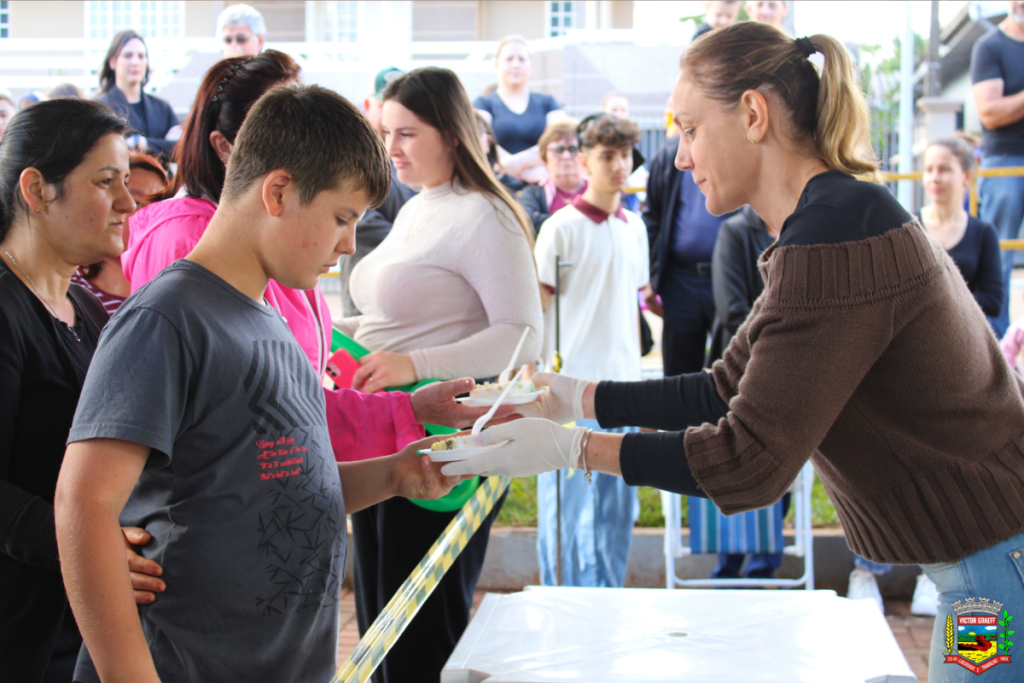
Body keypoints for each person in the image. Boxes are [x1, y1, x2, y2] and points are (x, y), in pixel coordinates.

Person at [448, 24, 1024, 683]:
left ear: (753, 114)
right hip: (987, 558)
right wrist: (574, 395)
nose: (680, 158)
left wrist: (573, 449)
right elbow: (725, 386)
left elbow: (749, 463)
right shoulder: (830, 222)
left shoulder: (834, 238)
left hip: (994, 571)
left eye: (690, 129)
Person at [55, 83, 463, 683]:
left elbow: (281, 488)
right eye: (342, 217)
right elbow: (83, 504)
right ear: (277, 192)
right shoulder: (167, 319)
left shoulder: (270, 315)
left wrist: (395, 473)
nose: (348, 243)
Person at [125, 53, 486, 467]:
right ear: (231, 149)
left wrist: (400, 438)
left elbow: (284, 417)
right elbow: (124, 474)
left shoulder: (277, 252)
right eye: (341, 220)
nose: (348, 245)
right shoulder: (188, 263)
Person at [338, 66, 542, 683]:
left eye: (406, 133)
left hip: (442, 444)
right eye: (386, 133)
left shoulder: (486, 215)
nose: (392, 148)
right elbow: (398, 317)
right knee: (381, 627)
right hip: (383, 429)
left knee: (419, 639)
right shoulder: (417, 207)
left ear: (452, 134)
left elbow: (523, 334)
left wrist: (413, 365)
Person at [0, 99, 164, 683]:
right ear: (37, 189)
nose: (128, 202)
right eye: (105, 182)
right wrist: (87, 548)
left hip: (84, 624)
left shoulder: (84, 305)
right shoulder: (7, 310)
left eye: (125, 182)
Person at [534, 114, 648, 588]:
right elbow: (538, 311)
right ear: (584, 161)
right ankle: (559, 602)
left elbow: (633, 309)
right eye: (607, 156)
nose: (619, 165)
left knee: (616, 512)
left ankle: (609, 600)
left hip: (625, 391)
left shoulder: (635, 227)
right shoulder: (559, 228)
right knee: (565, 511)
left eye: (625, 155)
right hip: (570, 394)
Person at [338, 67, 415, 317]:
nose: (394, 113)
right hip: (365, 296)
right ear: (368, 104)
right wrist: (418, 242)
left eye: (402, 105)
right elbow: (358, 220)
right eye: (384, 105)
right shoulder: (350, 150)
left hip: (408, 296)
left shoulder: (415, 155)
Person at [971, 0, 1024, 336]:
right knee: (998, 260)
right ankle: (995, 346)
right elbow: (989, 112)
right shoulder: (990, 46)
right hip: (1006, 162)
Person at [70, 153, 168, 315]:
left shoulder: (169, 286)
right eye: (137, 202)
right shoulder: (66, 282)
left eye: (158, 206)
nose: (148, 214)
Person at [920, 136, 1003, 318]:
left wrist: (938, 300)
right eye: (929, 170)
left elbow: (993, 301)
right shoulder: (908, 227)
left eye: (944, 169)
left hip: (965, 331)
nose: (935, 178)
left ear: (966, 176)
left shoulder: (983, 233)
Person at [473, 35, 565, 182]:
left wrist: (513, 164)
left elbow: (561, 140)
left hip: (540, 185)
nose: (516, 65)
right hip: (497, 185)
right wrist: (524, 172)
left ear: (530, 66)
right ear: (496, 65)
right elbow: (478, 141)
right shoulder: (482, 104)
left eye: (522, 59)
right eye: (509, 59)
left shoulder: (548, 103)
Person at [96, 30, 178, 159]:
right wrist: (163, 145)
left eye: (141, 56)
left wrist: (144, 143)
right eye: (127, 55)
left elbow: (182, 148)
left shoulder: (162, 108)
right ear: (112, 62)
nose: (135, 62)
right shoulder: (100, 108)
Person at [517, 119, 586, 232]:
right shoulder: (533, 194)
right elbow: (527, 222)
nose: (566, 156)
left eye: (573, 149)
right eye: (559, 150)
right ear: (545, 156)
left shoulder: (600, 190)